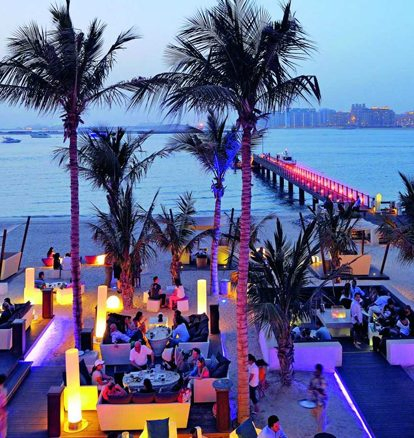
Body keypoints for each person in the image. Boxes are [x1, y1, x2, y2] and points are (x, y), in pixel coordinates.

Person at [308, 364, 328, 433]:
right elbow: (310, 388)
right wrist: (311, 392)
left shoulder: (323, 380)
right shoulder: (313, 379)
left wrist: (315, 389)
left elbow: (323, 391)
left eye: (318, 371)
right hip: (314, 401)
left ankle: (321, 432)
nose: (317, 372)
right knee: (314, 414)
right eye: (316, 370)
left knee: (320, 419)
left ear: (320, 371)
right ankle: (324, 423)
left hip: (321, 402)